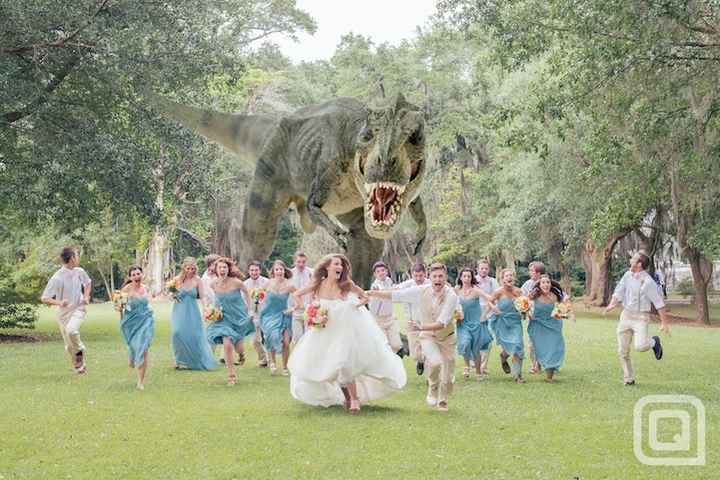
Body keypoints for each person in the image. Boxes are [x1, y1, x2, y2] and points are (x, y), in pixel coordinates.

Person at [288, 254, 406, 413]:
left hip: (344, 327)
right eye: (336, 264)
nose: (340, 268)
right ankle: (348, 397)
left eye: (341, 265)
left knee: (344, 362)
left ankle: (355, 399)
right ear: (327, 267)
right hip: (324, 329)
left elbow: (364, 297)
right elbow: (297, 294)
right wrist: (308, 310)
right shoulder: (318, 284)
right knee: (331, 364)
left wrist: (355, 306)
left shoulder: (346, 284)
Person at [367, 263, 458, 412]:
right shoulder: (422, 290)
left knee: (448, 377)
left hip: (447, 337)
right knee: (435, 363)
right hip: (428, 336)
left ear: (445, 277)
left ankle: (443, 400)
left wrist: (420, 326)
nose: (438, 279)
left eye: (441, 276)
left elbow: (442, 322)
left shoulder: (452, 295)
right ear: (430, 277)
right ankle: (433, 388)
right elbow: (397, 295)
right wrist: (372, 293)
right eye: (435, 276)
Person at [605, 252, 669, 386]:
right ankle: (629, 378)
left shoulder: (648, 282)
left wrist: (664, 323)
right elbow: (619, 290)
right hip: (626, 315)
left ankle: (654, 342)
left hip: (641, 317)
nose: (630, 260)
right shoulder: (628, 275)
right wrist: (612, 304)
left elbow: (659, 303)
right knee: (623, 351)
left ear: (639, 264)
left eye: (633, 259)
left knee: (640, 346)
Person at [41, 247, 92, 374]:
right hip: (63, 314)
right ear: (72, 258)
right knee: (69, 346)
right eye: (76, 255)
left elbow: (88, 283)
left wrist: (85, 296)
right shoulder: (57, 277)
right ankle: (80, 367)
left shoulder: (79, 271)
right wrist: (59, 302)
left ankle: (80, 350)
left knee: (72, 330)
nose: (78, 258)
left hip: (79, 308)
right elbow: (45, 298)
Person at [208, 257, 255, 386]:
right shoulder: (213, 284)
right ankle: (231, 376)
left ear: (229, 269)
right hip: (223, 319)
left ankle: (241, 354)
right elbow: (215, 301)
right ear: (216, 270)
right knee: (227, 343)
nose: (222, 269)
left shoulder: (237, 282)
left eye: (225, 267)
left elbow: (247, 294)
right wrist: (212, 312)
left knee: (238, 348)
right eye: (220, 267)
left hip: (238, 317)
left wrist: (250, 310)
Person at [170, 257, 217, 370]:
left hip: (193, 311)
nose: (190, 271)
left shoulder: (198, 280)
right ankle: (179, 359)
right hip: (179, 310)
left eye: (192, 268)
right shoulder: (177, 279)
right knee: (177, 333)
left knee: (194, 335)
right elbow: (171, 295)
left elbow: (202, 297)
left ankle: (195, 358)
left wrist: (206, 310)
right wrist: (173, 295)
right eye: (188, 268)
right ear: (184, 268)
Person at [117, 265, 155, 390]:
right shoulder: (125, 290)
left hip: (145, 321)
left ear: (142, 275)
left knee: (144, 348)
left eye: (138, 274)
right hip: (131, 323)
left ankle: (140, 382)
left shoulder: (146, 288)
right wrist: (122, 319)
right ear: (130, 277)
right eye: (133, 275)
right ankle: (132, 353)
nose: (136, 276)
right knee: (135, 346)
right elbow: (119, 307)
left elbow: (149, 303)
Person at [455, 268, 495, 380]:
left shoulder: (476, 290)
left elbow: (490, 299)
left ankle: (478, 372)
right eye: (464, 276)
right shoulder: (457, 289)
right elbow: (448, 299)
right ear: (461, 278)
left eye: (469, 276)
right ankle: (467, 366)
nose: (466, 279)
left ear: (472, 278)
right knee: (465, 343)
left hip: (476, 323)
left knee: (476, 349)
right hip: (462, 323)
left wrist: (485, 314)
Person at [488, 269, 526, 383]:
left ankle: (517, 375)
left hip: (515, 322)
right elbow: (489, 301)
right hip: (502, 322)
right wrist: (494, 307)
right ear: (503, 279)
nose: (509, 277)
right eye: (507, 276)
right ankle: (503, 357)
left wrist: (524, 311)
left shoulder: (519, 291)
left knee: (518, 346)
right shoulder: (498, 292)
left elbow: (523, 304)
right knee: (509, 348)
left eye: (511, 276)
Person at [259, 260, 296, 376]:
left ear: (284, 271)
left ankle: (285, 367)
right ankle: (273, 363)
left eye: (281, 269)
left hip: (283, 314)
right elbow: (257, 296)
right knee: (272, 337)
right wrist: (258, 301)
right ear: (273, 271)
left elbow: (299, 301)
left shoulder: (290, 285)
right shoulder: (267, 284)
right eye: (277, 269)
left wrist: (291, 309)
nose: (279, 271)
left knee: (286, 341)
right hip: (269, 315)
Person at [528, 275, 566, 383]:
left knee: (555, 348)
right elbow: (525, 307)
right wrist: (529, 314)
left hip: (553, 324)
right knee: (540, 347)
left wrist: (561, 314)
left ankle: (550, 376)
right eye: (543, 282)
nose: (546, 284)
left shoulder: (555, 296)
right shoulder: (534, 296)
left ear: (551, 284)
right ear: (539, 285)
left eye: (548, 282)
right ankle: (538, 364)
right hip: (538, 324)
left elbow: (562, 309)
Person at [395, 263, 431, 376]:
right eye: (416, 276)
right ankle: (419, 362)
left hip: (428, 322)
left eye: (421, 275)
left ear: (425, 273)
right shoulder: (407, 285)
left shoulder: (430, 284)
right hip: (412, 321)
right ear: (412, 274)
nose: (419, 278)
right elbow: (393, 290)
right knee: (415, 353)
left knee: (428, 349)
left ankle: (430, 377)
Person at [368, 261, 403, 355]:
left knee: (396, 345)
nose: (381, 273)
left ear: (386, 271)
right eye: (378, 271)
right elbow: (373, 307)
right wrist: (377, 293)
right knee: (384, 345)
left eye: (383, 270)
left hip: (390, 318)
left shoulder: (389, 281)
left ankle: (394, 359)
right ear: (375, 274)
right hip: (378, 320)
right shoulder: (375, 286)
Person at [475, 259, 499, 373]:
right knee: (475, 339)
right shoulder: (473, 280)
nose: (484, 270)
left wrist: (489, 309)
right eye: (482, 268)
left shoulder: (492, 281)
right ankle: (474, 363)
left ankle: (483, 366)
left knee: (487, 340)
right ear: (477, 269)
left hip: (490, 313)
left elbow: (495, 297)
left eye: (486, 268)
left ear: (488, 269)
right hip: (475, 313)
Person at [243, 261, 269, 367]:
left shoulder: (266, 282)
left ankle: (271, 360)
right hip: (253, 315)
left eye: (256, 270)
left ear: (260, 270)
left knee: (268, 338)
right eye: (252, 270)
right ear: (249, 271)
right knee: (255, 341)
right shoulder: (245, 284)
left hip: (266, 314)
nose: (254, 272)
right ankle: (263, 358)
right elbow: (243, 301)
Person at [521, 261, 545, 374]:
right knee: (531, 344)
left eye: (532, 270)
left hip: (545, 317)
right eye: (529, 270)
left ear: (539, 273)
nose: (530, 272)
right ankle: (534, 364)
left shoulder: (546, 283)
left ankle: (539, 364)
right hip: (532, 317)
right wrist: (526, 312)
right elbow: (522, 299)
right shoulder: (527, 284)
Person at [289, 251, 314, 345]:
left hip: (309, 309)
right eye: (299, 262)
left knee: (309, 339)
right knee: (297, 339)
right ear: (294, 261)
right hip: (296, 310)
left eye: (303, 262)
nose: (301, 264)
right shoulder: (290, 274)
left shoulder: (312, 272)